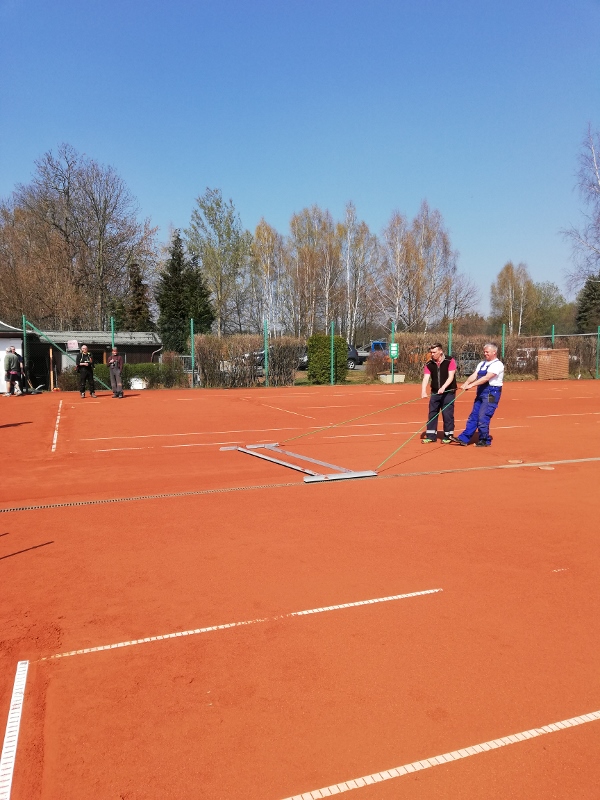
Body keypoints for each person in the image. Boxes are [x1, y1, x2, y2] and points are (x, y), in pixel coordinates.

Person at [451, 343, 504, 447]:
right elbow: (475, 375)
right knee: (474, 416)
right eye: (484, 352)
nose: (485, 354)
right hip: (481, 392)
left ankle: (484, 440)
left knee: (483, 416)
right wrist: (466, 383)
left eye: (487, 352)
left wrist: (471, 385)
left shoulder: (498, 364)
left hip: (492, 394)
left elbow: (486, 378)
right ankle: (464, 438)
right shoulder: (482, 364)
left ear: (494, 352)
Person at [421, 343, 457, 444]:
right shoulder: (429, 364)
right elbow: (426, 378)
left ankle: (448, 436)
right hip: (435, 393)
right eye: (431, 352)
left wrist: (443, 387)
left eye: (434, 352)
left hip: (448, 392)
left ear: (440, 351)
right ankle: (431, 436)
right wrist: (423, 391)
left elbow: (451, 376)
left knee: (447, 414)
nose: (432, 354)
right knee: (432, 414)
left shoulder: (450, 360)